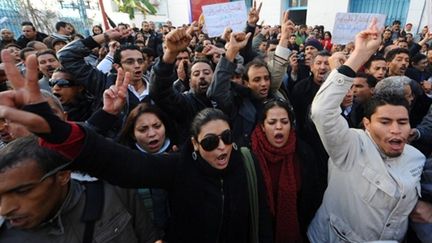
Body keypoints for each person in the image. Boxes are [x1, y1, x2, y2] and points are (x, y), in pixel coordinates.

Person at [0, 50, 273, 242]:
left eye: (227, 138)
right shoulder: (179, 167)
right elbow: (120, 163)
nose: (222, 148)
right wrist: (58, 131)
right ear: (194, 143)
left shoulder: (246, 162)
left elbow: (261, 220)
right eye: (211, 142)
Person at [308, 18, 425, 242]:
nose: (395, 130)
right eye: (385, 122)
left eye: (402, 122)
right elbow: (322, 111)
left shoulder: (416, 159)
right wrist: (359, 56)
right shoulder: (351, 147)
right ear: (367, 124)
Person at [0, 136, 158, 243]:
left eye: (22, 191)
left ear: (62, 175)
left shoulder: (113, 191)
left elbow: (150, 238)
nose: (5, 209)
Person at [117, 103, 177, 239]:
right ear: (132, 134)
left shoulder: (179, 156)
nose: (152, 134)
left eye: (157, 126)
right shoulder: (127, 165)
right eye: (143, 129)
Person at [250, 99, 302, 242]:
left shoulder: (303, 154)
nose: (278, 127)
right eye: (272, 122)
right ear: (262, 126)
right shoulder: (249, 155)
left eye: (284, 122)